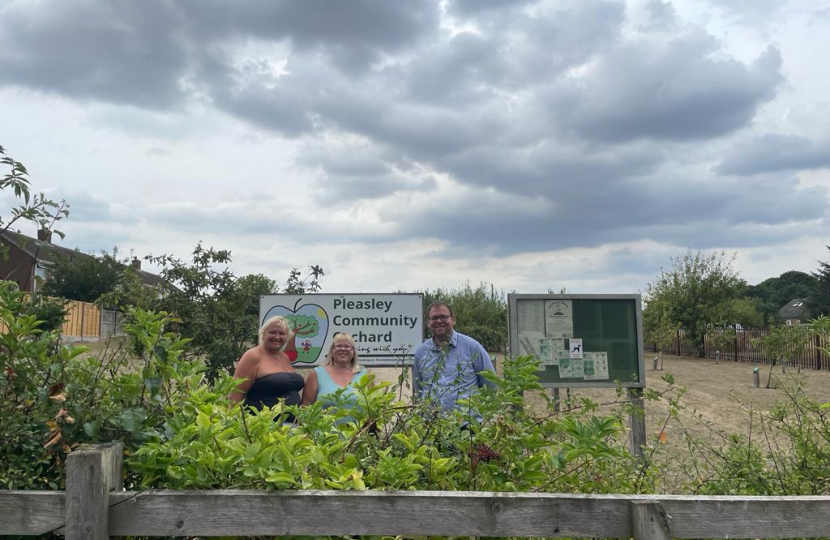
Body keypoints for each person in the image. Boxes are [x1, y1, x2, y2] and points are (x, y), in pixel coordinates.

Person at [413, 301, 496, 413]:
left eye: (443, 317)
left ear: (453, 319)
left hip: (468, 426)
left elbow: (490, 385)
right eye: (434, 318)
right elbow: (419, 389)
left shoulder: (472, 347)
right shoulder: (421, 352)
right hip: (431, 425)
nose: (438, 321)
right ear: (428, 322)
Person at [230, 316, 305, 420]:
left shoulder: (284, 357)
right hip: (262, 425)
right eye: (273, 332)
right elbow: (236, 395)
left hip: (288, 427)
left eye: (282, 334)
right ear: (263, 334)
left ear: (287, 337)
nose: (277, 337)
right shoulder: (253, 356)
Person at [301, 333, 368, 418]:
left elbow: (375, 408)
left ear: (353, 352)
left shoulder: (365, 375)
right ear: (332, 351)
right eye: (339, 346)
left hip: (361, 431)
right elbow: (305, 409)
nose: (343, 349)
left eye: (347, 346)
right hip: (324, 430)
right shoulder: (317, 374)